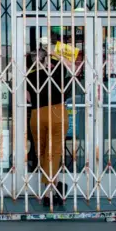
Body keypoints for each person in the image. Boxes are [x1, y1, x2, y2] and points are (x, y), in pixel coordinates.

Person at [26, 44, 69, 207]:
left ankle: (51, 189)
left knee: (42, 152)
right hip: (57, 112)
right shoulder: (56, 71)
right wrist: (55, 53)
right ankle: (53, 188)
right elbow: (72, 70)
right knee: (53, 151)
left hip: (37, 113)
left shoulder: (29, 76)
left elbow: (28, 98)